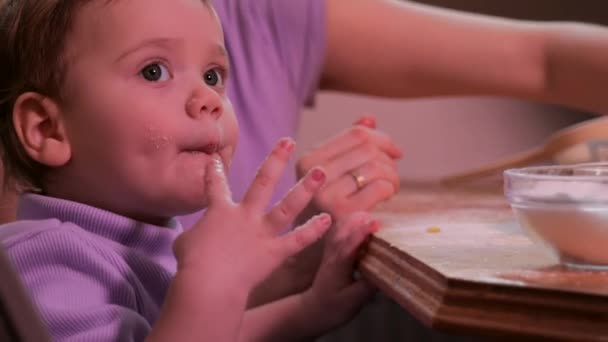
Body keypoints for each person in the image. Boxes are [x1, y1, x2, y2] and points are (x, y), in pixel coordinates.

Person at [0, 0, 379, 340]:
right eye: (153, 72)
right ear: (46, 129)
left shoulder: (138, 245)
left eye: (212, 75)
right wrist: (208, 281)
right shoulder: (50, 262)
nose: (208, 100)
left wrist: (311, 310)